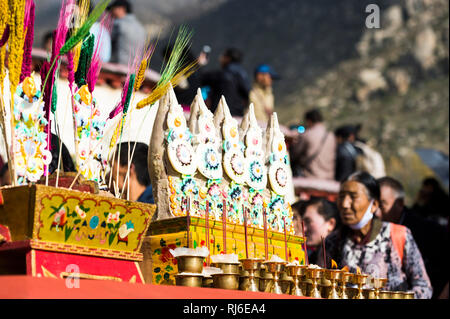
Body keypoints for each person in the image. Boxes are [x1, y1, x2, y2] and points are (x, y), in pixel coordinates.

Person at [319, 171, 432, 299]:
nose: (345, 204)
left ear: (374, 205)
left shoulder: (398, 235)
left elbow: (423, 287)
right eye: (341, 197)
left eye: (353, 197)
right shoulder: (333, 241)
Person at [378, 176, 449, 298]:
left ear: (399, 204)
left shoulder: (425, 230)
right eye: (373, 204)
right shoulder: (365, 230)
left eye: (382, 204)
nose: (376, 211)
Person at [201, 47, 251, 116]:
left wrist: (198, 64)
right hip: (237, 117)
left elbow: (199, 79)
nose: (220, 59)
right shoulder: (243, 76)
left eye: (223, 56)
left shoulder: (219, 75)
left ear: (228, 58)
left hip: (219, 116)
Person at [289, 109, 336, 180]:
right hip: (328, 179)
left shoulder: (307, 135)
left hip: (310, 178)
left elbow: (294, 154)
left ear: (309, 121)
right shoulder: (331, 136)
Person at [299, 197, 339, 265]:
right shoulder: (314, 256)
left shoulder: (341, 255)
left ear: (330, 224)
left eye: (308, 221)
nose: (304, 229)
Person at [108, 0, 147, 66]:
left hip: (118, 67)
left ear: (121, 9)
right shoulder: (141, 28)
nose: (110, 13)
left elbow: (106, 43)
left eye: (112, 9)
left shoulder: (118, 24)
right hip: (135, 69)